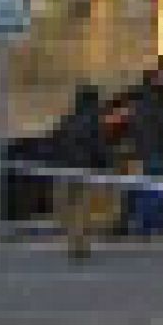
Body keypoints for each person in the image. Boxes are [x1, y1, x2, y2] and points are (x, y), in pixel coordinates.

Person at [51, 85, 107, 262]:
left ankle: (73, 242)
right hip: (84, 168)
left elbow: (56, 141)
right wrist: (106, 165)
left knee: (68, 207)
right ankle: (80, 245)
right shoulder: (93, 121)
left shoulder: (67, 119)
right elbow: (97, 146)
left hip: (65, 168)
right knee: (82, 208)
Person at [126, 63, 163, 238]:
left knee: (148, 188)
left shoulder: (139, 103)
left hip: (145, 150)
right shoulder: (156, 103)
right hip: (155, 150)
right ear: (154, 79)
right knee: (157, 189)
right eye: (162, 76)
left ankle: (145, 226)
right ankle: (155, 225)